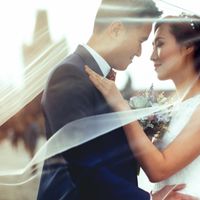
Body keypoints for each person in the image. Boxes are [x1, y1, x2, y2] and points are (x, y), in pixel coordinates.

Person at [37, 0, 193, 199]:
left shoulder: (101, 80)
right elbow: (84, 168)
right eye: (141, 41)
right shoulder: (70, 74)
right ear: (116, 30)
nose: (139, 52)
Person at [85, 13, 200, 198]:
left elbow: (159, 169)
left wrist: (120, 105)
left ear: (188, 46)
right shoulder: (169, 108)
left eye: (160, 44)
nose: (152, 56)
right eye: (152, 46)